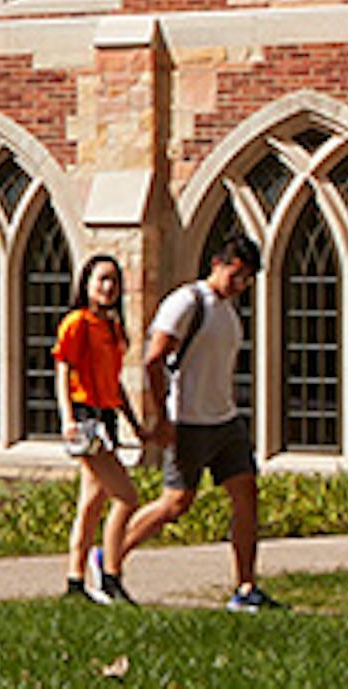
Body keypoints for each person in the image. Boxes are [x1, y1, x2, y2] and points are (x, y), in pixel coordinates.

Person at [109, 234, 274, 611]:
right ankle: (110, 557)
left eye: (246, 279)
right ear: (217, 263)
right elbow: (153, 359)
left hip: (225, 420)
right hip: (188, 421)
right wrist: (162, 419)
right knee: (175, 503)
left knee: (247, 495)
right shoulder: (187, 302)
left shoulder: (228, 311)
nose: (240, 285)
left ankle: (246, 589)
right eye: (236, 274)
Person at [52, 253, 143, 603]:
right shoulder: (76, 323)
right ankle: (110, 574)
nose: (108, 287)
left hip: (105, 417)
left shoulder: (113, 328)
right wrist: (67, 418)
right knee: (126, 496)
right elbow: (63, 370)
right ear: (86, 284)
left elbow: (114, 383)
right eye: (101, 279)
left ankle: (75, 582)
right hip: (85, 417)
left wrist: (134, 422)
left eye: (113, 281)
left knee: (91, 502)